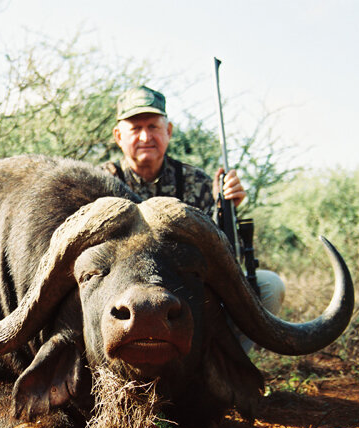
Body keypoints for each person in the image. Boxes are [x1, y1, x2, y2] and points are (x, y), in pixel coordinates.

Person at [103, 85, 285, 353]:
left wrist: (226, 207)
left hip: (183, 296)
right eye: (135, 128)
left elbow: (219, 254)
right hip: (119, 298)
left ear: (169, 132)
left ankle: (228, 374)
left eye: (153, 126)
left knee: (269, 285)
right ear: (119, 136)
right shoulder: (101, 183)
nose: (145, 136)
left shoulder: (195, 181)